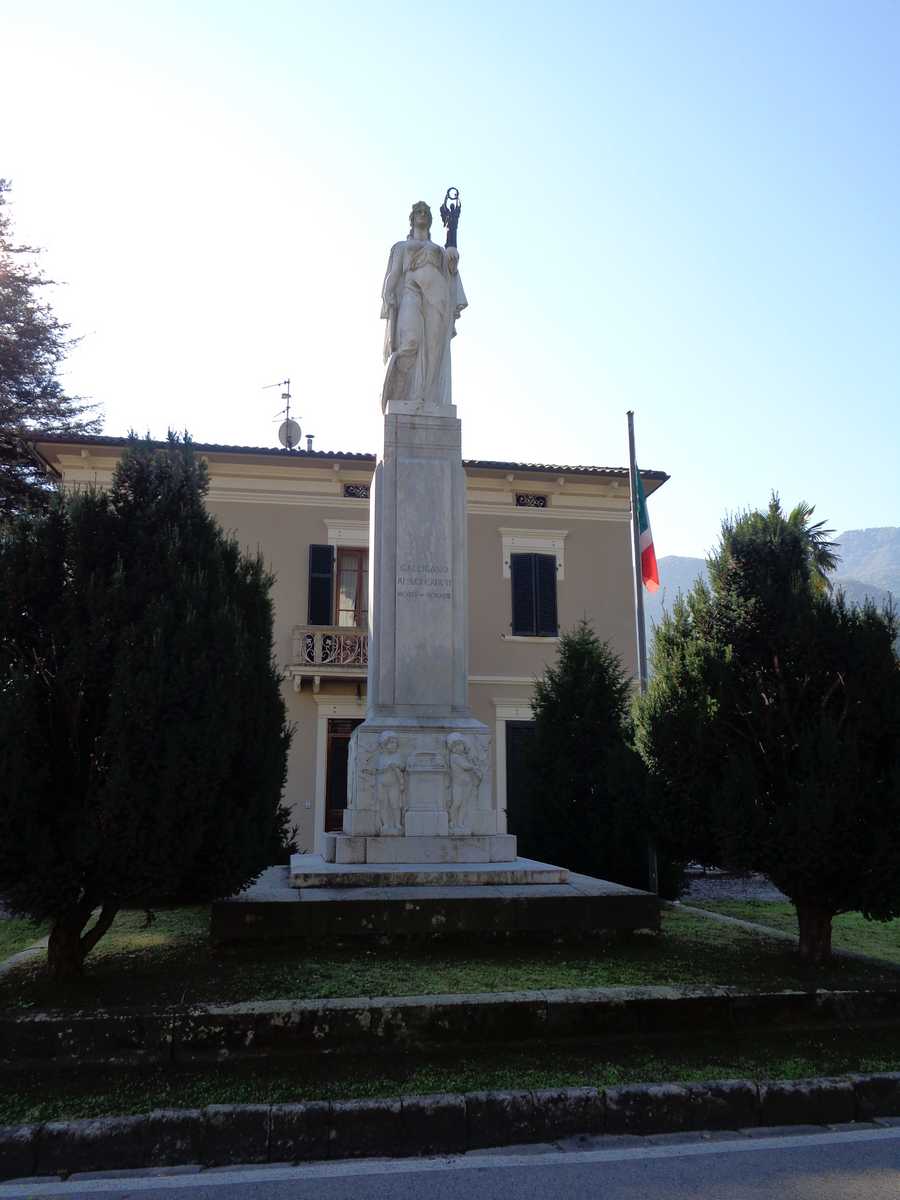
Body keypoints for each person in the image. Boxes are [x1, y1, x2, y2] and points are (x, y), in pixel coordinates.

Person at [380, 200, 467, 412]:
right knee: (410, 342)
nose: (422, 214)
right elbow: (393, 275)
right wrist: (387, 292)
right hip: (411, 295)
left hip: (437, 300)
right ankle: (399, 391)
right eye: (418, 211)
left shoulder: (437, 250)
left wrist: (452, 256)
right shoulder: (401, 247)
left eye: (425, 212)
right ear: (411, 219)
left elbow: (450, 274)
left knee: (434, 349)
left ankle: (426, 398)